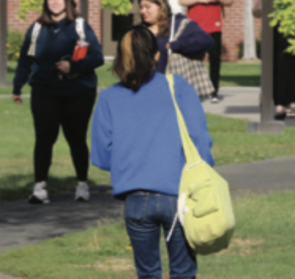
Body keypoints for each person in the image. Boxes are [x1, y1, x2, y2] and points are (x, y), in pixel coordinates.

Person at [90, 26, 214, 279]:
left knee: (147, 274)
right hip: (178, 192)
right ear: (157, 56)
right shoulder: (177, 86)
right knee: (183, 272)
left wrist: (132, 160)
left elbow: (101, 156)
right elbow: (198, 138)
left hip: (135, 196)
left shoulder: (108, 98)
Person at [12, 0, 104, 204]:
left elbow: (97, 57)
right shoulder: (36, 28)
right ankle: (39, 188)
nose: (55, 2)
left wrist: (73, 66)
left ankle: (82, 185)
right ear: (46, 2)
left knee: (76, 139)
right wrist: (17, 86)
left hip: (78, 92)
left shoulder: (80, 26)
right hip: (45, 91)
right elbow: (25, 60)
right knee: (44, 139)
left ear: (67, 1)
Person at [179, 0, 233, 103]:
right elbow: (182, 0)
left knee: (215, 60)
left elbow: (230, 1)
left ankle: (214, 91)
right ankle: (196, 91)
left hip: (215, 28)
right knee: (195, 60)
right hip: (195, 28)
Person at [137, 0, 213, 78]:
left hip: (172, 86)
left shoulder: (178, 24)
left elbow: (206, 41)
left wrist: (178, 45)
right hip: (144, 85)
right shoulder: (138, 29)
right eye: (141, 7)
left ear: (161, 6)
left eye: (147, 7)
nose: (142, 11)